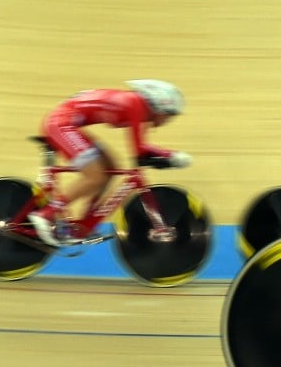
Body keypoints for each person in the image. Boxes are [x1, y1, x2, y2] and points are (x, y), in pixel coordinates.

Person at [29, 79, 191, 246]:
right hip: (60, 124)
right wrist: (172, 156)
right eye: (169, 114)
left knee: (110, 168)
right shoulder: (136, 104)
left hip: (66, 124)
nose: (168, 120)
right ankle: (46, 213)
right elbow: (139, 150)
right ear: (158, 104)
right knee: (95, 177)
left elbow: (142, 151)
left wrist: (165, 158)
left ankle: (83, 225)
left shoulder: (141, 110)